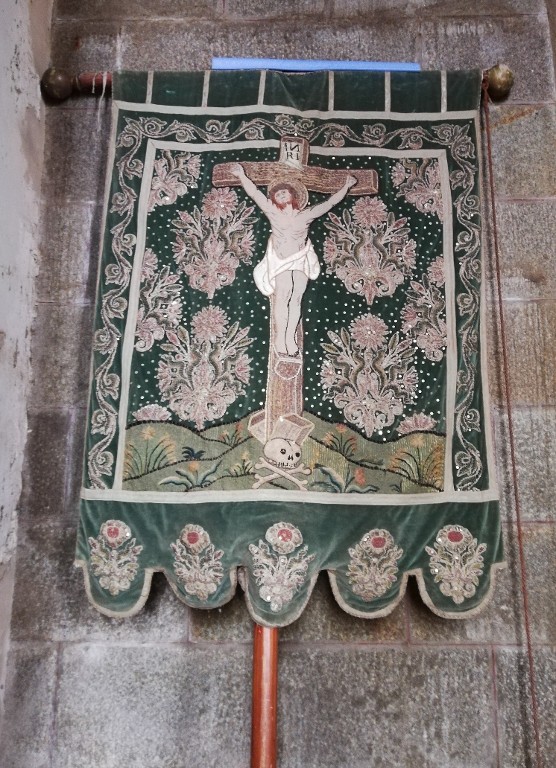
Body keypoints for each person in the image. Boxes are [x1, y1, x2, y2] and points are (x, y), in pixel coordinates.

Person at [230, 163, 356, 359]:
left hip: (300, 259)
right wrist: (242, 176)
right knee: (283, 295)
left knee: (297, 298)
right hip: (281, 260)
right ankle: (280, 339)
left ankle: (290, 338)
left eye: (284, 193)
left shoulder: (306, 215)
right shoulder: (273, 212)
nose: (281, 195)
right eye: (277, 194)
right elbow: (255, 193)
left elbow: (330, 203)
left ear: (293, 196)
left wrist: (346, 187)